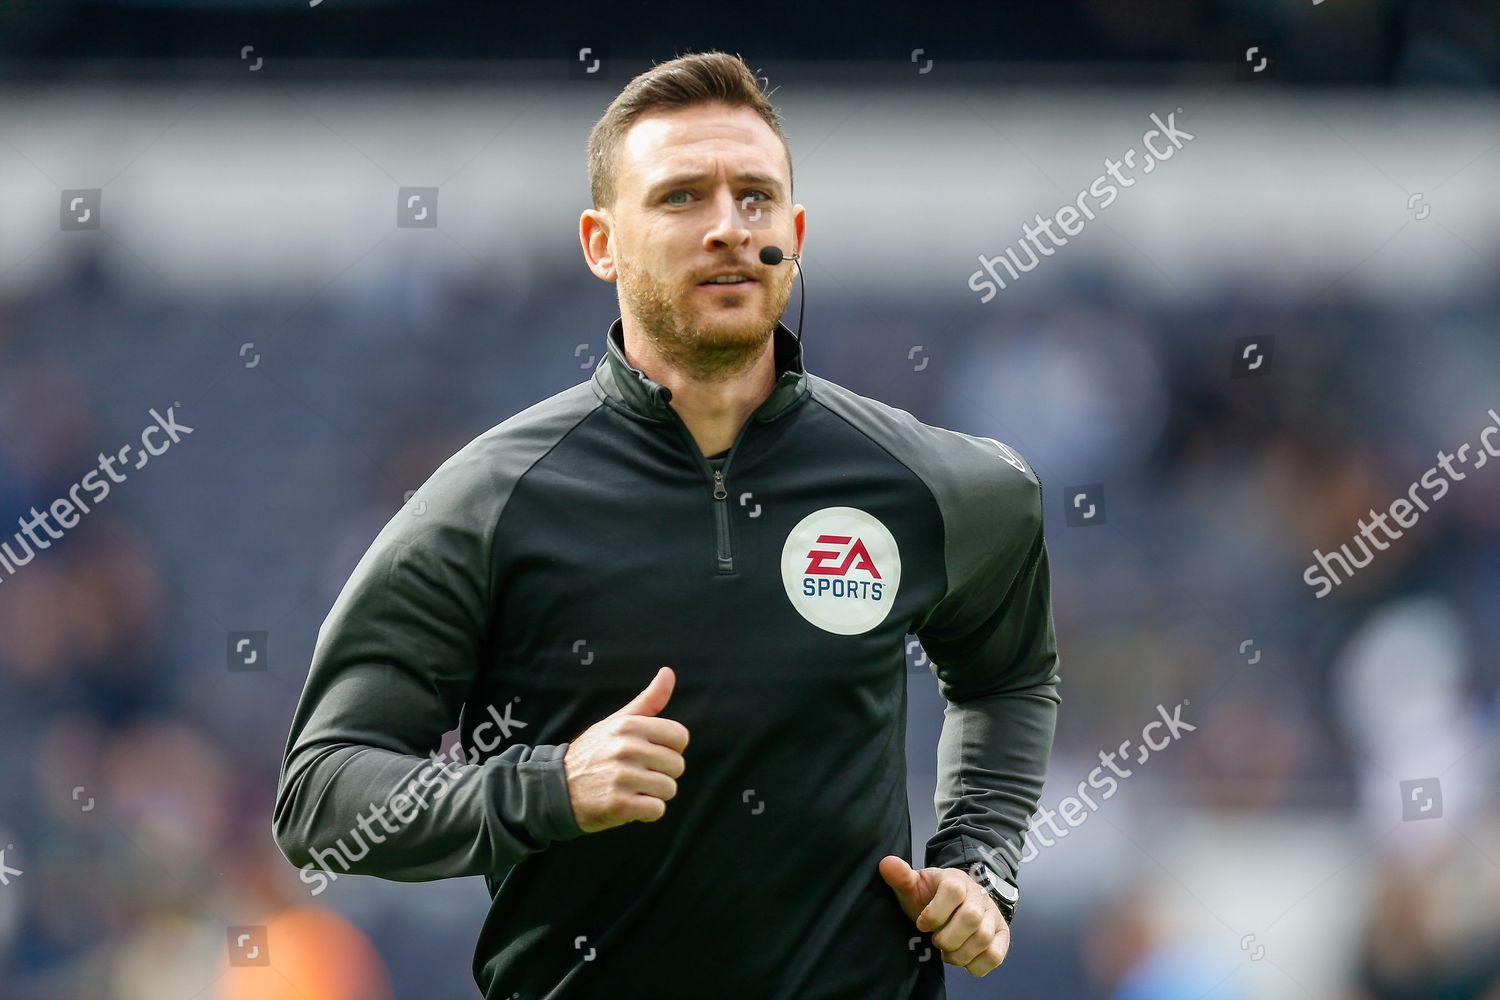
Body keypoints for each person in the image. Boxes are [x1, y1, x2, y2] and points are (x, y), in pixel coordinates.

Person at [273, 50, 1060, 1000]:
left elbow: (1007, 674)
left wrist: (980, 859)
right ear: (602, 242)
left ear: (795, 233)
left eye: (756, 198)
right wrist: (547, 787)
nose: (730, 228)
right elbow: (321, 794)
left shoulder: (940, 485)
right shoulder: (488, 501)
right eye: (683, 197)